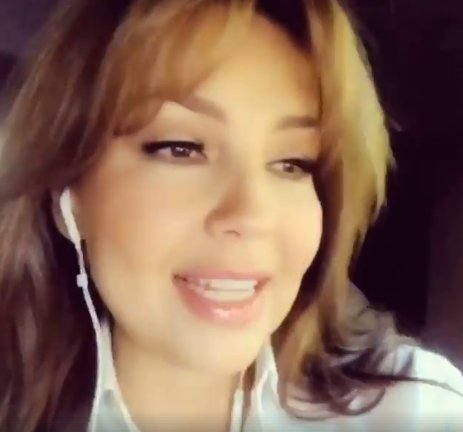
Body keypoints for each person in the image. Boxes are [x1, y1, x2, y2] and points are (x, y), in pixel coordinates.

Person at [0, 0, 461, 431]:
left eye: (293, 162)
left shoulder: (415, 411)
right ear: (68, 195)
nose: (251, 214)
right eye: (181, 148)